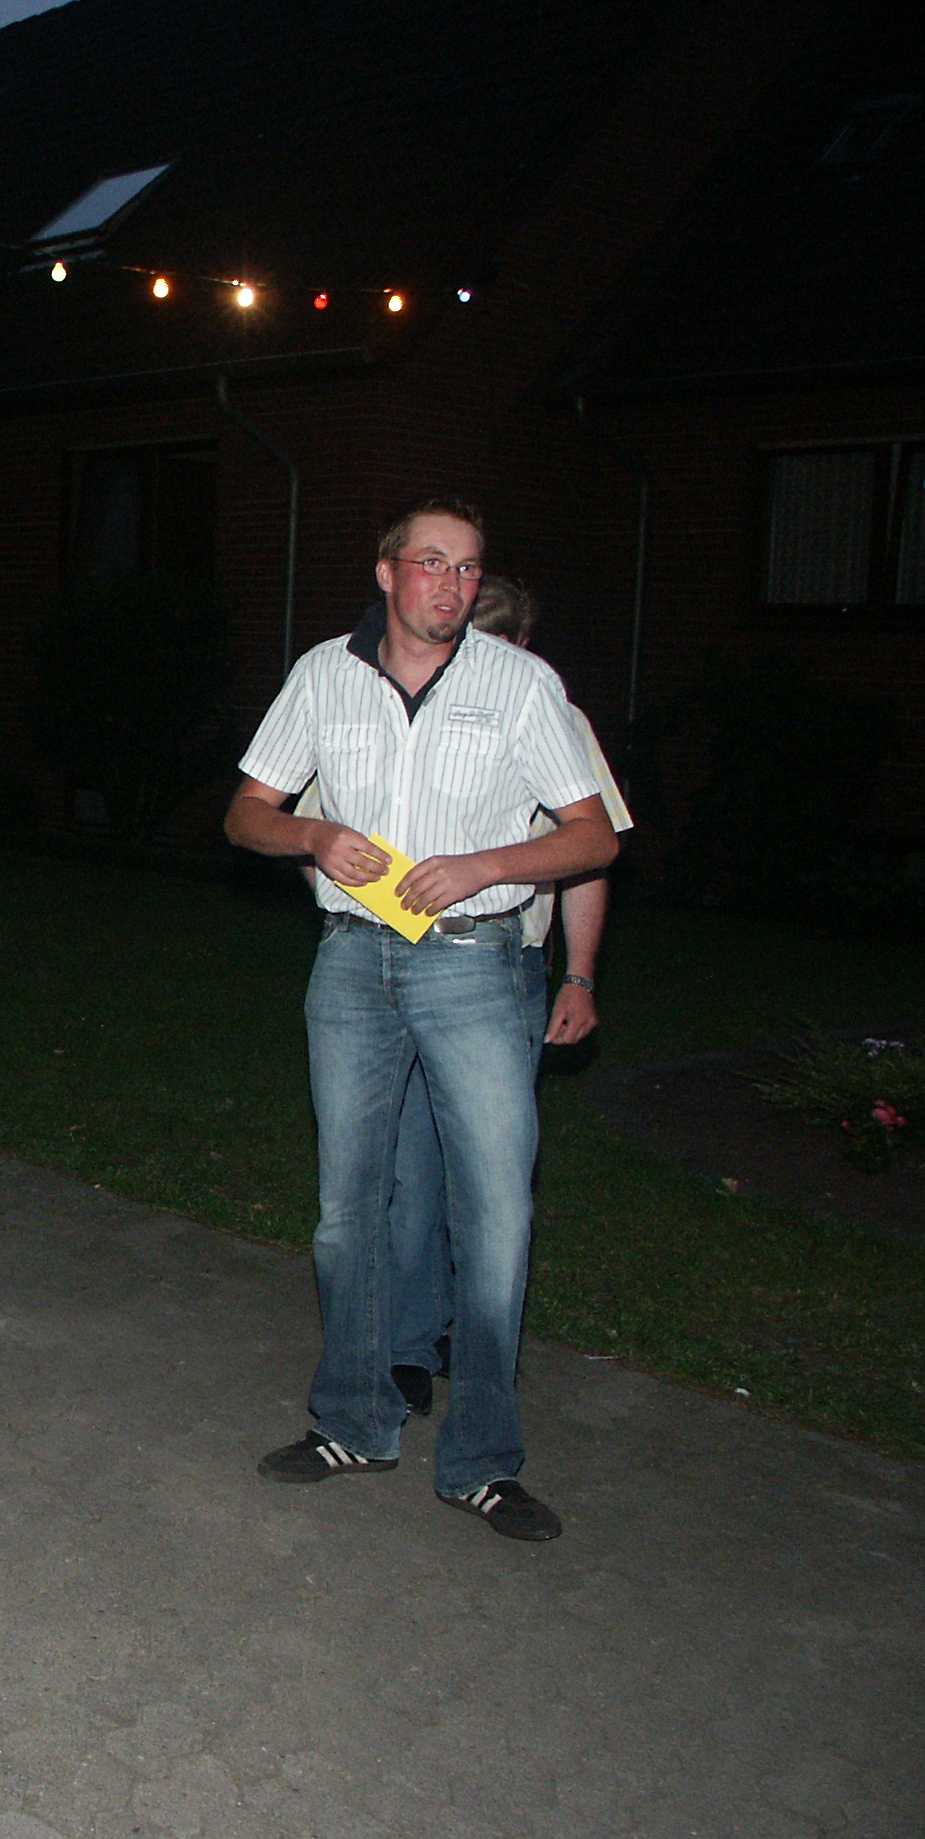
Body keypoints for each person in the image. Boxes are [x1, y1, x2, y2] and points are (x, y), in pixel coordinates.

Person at [225, 501, 616, 1541]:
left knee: (494, 1219)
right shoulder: (323, 674)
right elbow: (244, 813)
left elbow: (592, 838)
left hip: (477, 966)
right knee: (345, 1211)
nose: (451, 585)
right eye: (432, 564)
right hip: (353, 962)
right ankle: (353, 1421)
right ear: (388, 573)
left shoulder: (519, 684)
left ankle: (482, 1462)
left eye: (468, 568)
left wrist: (487, 866)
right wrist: (311, 836)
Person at [382, 576, 632, 1420]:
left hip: (507, 967)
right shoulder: (392, 703)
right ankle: (408, 1343)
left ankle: (476, 1337)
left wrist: (580, 975)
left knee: (491, 1176)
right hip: (404, 958)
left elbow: (589, 854)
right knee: (412, 1164)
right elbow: (319, 826)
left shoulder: (552, 716)